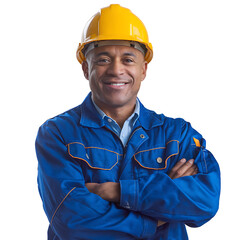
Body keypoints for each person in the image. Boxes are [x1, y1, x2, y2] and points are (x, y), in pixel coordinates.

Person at [35, 4, 220, 240]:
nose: (116, 70)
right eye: (103, 59)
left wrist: (116, 191)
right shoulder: (58, 134)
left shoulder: (178, 134)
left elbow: (204, 202)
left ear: (143, 69)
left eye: (128, 59)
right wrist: (159, 216)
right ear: (85, 68)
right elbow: (72, 222)